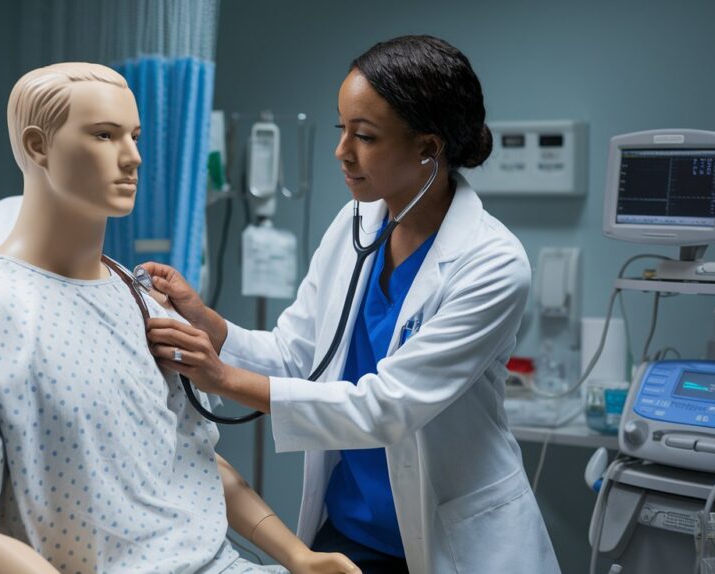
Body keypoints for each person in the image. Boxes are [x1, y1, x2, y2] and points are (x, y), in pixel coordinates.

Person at [0, 62, 358, 574]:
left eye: (135, 136)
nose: (133, 158)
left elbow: (189, 458)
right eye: (104, 135)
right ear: (38, 147)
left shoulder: (143, 300)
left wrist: (299, 556)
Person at [142, 36, 561, 574]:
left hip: (448, 542)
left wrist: (221, 378)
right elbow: (299, 354)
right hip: (347, 531)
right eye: (342, 129)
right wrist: (211, 325)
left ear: (428, 148)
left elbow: (387, 408)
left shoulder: (492, 263)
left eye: (364, 136)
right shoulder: (357, 223)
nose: (342, 151)